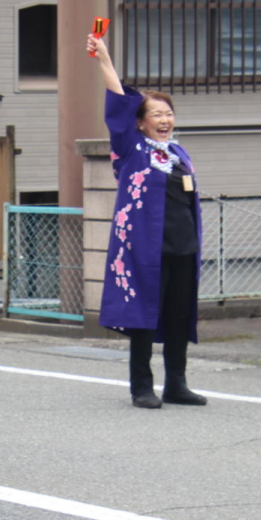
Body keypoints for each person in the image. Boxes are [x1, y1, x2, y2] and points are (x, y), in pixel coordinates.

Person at [90, 35, 206, 410]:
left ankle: (177, 383)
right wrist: (105, 60)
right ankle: (142, 386)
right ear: (139, 123)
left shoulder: (178, 154)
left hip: (182, 246)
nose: (165, 120)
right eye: (156, 114)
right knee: (143, 316)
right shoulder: (131, 150)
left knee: (178, 315)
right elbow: (119, 101)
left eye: (168, 114)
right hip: (144, 250)